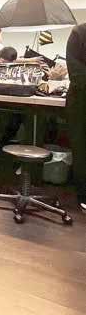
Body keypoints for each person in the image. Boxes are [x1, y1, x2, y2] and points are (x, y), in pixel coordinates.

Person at [66, 23, 86, 213]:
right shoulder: (80, 32)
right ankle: (84, 195)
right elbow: (77, 73)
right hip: (81, 101)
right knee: (82, 149)